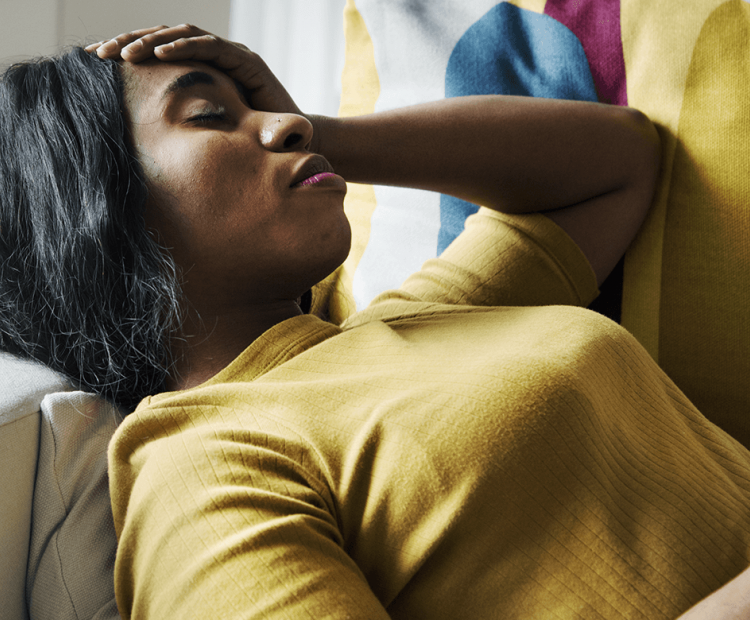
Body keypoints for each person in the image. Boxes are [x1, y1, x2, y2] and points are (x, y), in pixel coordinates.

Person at [1, 23, 748, 620]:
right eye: (207, 116)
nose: (281, 124)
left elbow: (618, 160)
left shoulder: (420, 318)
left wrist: (322, 134)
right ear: (96, 213)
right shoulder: (201, 469)